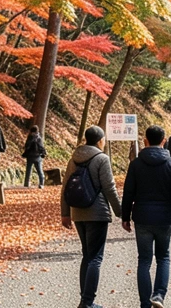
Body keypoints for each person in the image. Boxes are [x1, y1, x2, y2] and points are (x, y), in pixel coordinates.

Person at [121, 125, 171, 308]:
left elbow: (128, 193)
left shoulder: (136, 164)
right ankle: (158, 295)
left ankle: (144, 303)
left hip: (142, 217)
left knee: (144, 259)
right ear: (164, 141)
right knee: (163, 257)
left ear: (145, 141)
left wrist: (125, 217)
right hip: (164, 217)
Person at [61, 125, 123, 308]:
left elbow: (64, 188)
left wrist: (65, 213)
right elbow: (109, 187)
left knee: (87, 256)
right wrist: (120, 212)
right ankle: (87, 302)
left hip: (78, 212)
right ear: (100, 140)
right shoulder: (101, 159)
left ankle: (84, 300)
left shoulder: (74, 158)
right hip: (97, 213)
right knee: (95, 257)